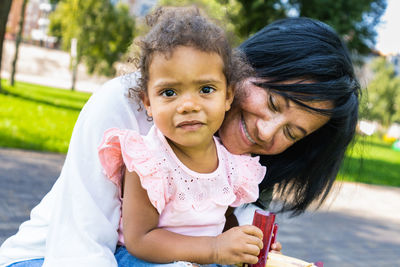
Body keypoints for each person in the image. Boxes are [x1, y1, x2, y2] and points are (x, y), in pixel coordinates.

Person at [0, 7, 360, 267]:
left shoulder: (238, 167)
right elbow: (81, 248)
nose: (266, 131)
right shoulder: (127, 106)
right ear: (245, 66)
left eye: (291, 132)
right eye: (272, 102)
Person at [98, 7, 265, 266]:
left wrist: (248, 244)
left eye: (206, 89)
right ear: (148, 102)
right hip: (147, 260)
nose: (188, 105)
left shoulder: (232, 165)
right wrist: (214, 249)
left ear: (228, 96)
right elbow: (140, 239)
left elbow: (224, 225)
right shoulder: (149, 162)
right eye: (169, 92)